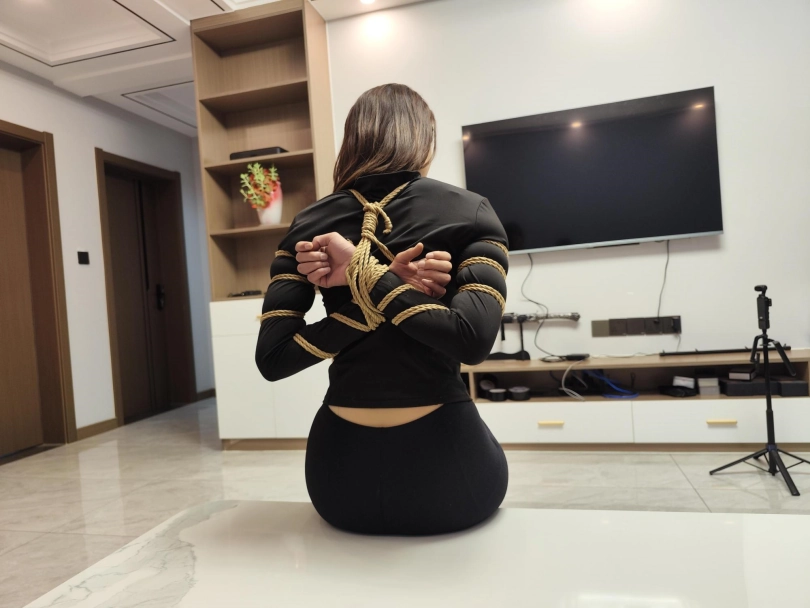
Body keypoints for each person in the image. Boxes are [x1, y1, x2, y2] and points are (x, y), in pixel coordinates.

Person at [256, 83, 509, 536]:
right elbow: (472, 342)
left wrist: (364, 278)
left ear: (352, 140)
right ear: (425, 141)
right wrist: (381, 283)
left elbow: (274, 359)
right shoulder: (469, 211)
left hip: (338, 482)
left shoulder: (309, 224)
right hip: (451, 480)